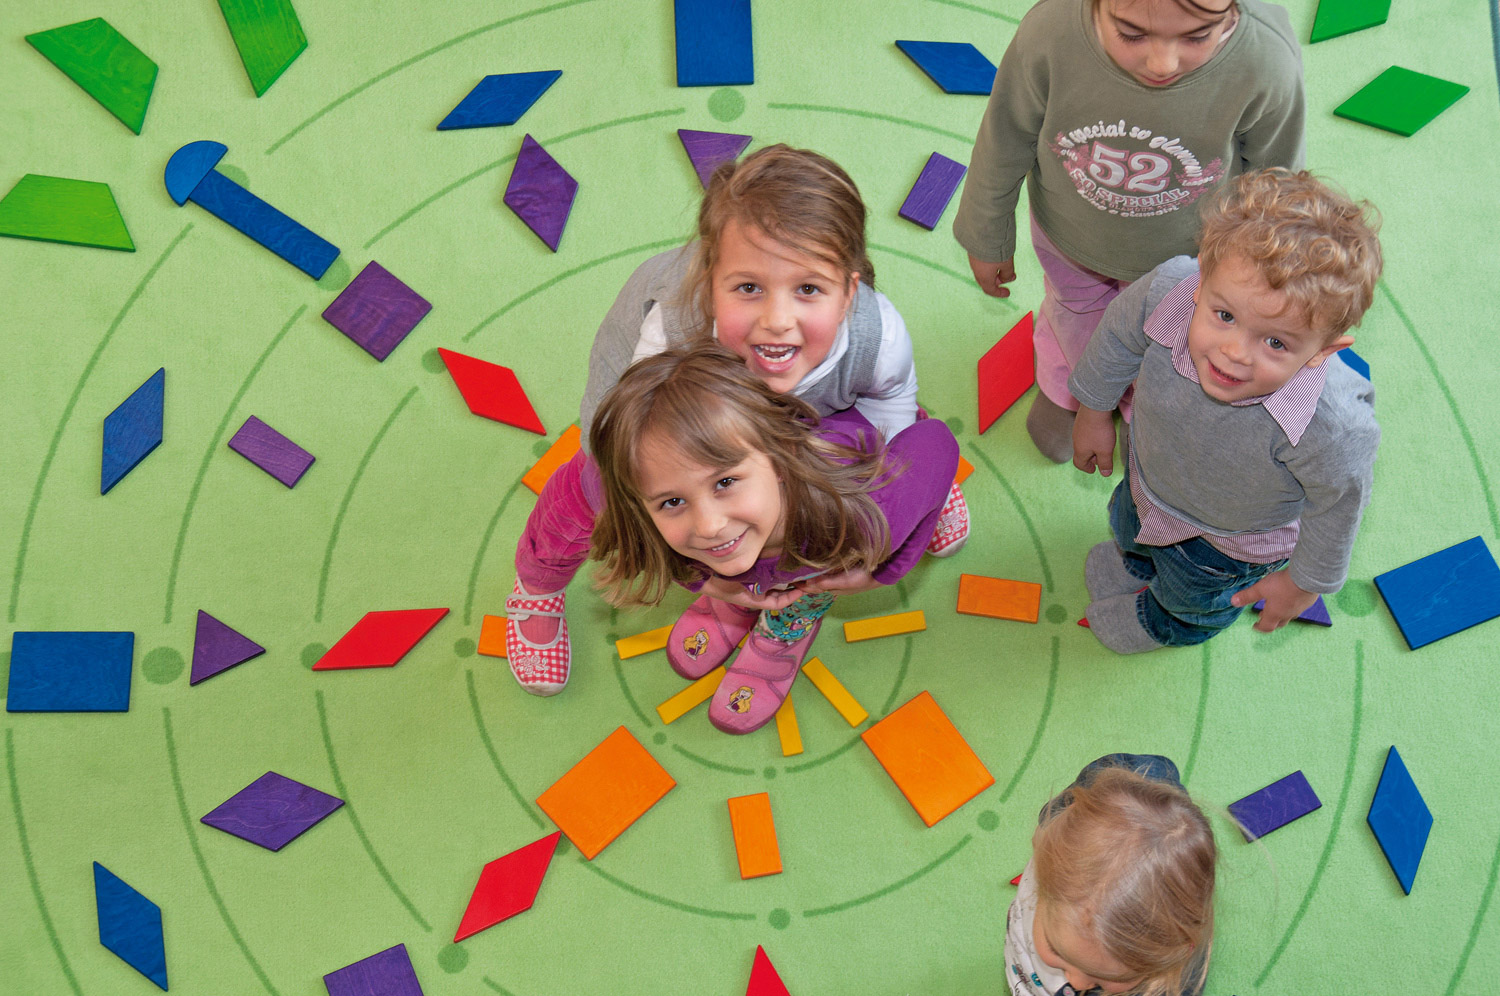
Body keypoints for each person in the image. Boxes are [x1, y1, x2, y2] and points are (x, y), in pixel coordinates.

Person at [505, 144, 967, 695]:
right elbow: (649, 481)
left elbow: (891, 403)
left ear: (849, 291)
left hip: (809, 417)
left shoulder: (879, 333)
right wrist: (709, 576)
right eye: (748, 288)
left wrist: (881, 494)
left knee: (833, 498)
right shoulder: (669, 336)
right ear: (709, 278)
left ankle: (794, 594)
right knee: (595, 486)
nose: (776, 321)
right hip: (658, 420)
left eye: (808, 289)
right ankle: (536, 585)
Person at [953, 0, 1305, 461]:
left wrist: (1264, 282)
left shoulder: (1265, 60)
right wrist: (986, 232)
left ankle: (1150, 410)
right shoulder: (1050, 33)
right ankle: (1073, 393)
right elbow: (1005, 136)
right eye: (1132, 34)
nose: (1163, 62)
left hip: (1190, 256)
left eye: (1197, 36)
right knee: (1073, 313)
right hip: (1071, 236)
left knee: (1175, 337)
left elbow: (1276, 185)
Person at [1070, 168, 1382, 652]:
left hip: (1228, 543)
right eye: (1225, 316)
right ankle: (1137, 563)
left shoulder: (1330, 425)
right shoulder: (1170, 289)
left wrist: (1302, 584)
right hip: (1149, 478)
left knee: (1192, 599)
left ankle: (1163, 623)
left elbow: (1339, 504)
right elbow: (1117, 335)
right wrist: (1093, 410)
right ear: (1200, 282)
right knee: (1128, 524)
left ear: (1323, 352)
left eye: (1276, 341)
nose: (1235, 351)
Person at [589, 344, 958, 734]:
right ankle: (741, 593)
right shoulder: (646, 512)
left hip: (835, 514)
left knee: (808, 581)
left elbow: (938, 442)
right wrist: (711, 583)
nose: (709, 525)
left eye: (725, 482)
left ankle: (789, 621)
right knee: (719, 553)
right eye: (673, 501)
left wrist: (886, 569)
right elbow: (597, 485)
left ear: (780, 461)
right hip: (767, 528)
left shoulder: (863, 514)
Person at [1007, 755, 1216, 996]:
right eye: (1056, 950)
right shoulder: (1060, 843)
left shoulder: (1176, 985)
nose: (1077, 984)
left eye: (1105, 978)